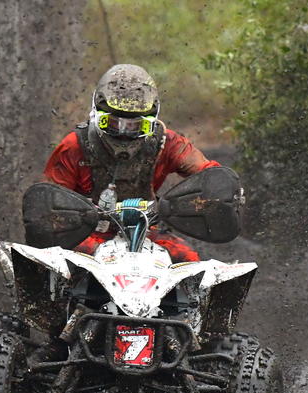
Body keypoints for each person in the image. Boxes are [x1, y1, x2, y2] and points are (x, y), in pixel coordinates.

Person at [43, 64, 220, 262]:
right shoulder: (74, 146)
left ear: (151, 121)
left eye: (136, 126)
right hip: (85, 233)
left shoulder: (167, 143)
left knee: (189, 260)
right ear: (97, 114)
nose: (124, 133)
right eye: (113, 123)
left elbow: (211, 176)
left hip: (146, 232)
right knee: (56, 261)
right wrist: (74, 216)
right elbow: (50, 201)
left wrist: (213, 195)